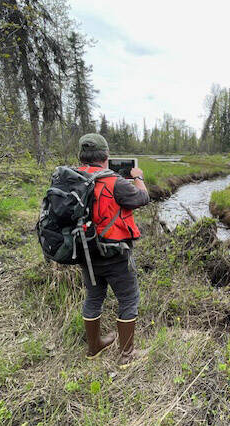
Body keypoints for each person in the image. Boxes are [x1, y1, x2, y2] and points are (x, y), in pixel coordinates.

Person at [76, 133, 149, 364]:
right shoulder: (115, 182)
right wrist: (137, 178)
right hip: (115, 253)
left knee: (94, 296)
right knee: (128, 299)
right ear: (106, 157)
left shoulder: (74, 178)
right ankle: (127, 355)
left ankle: (94, 347)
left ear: (81, 156)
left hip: (86, 253)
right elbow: (142, 198)